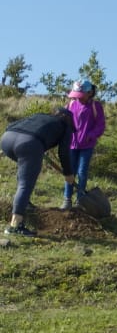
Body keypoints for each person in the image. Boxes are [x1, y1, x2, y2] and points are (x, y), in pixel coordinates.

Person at [2, 109, 76, 237]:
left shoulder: (39, 116)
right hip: (29, 144)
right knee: (26, 183)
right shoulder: (65, 126)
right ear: (69, 120)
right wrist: (68, 173)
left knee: (25, 173)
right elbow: (64, 153)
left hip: (6, 138)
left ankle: (25, 203)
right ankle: (15, 226)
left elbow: (11, 126)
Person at [63, 80, 106, 211]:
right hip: (71, 145)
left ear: (90, 93)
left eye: (81, 95)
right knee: (70, 172)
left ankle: (80, 200)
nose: (78, 98)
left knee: (82, 172)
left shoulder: (95, 106)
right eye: (76, 95)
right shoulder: (70, 105)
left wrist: (91, 135)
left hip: (86, 146)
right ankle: (67, 199)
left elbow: (100, 125)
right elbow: (63, 122)